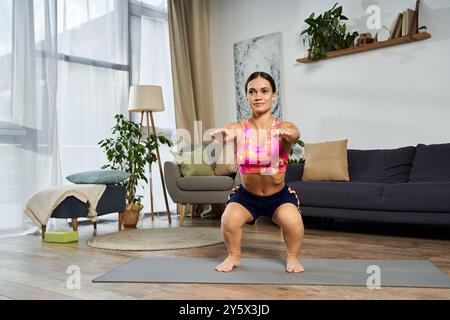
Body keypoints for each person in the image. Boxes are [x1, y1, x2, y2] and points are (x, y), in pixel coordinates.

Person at [210, 71, 304, 273]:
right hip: (247, 196)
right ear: (246, 96)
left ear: (274, 95)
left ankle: (293, 257)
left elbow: (295, 132)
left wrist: (289, 135)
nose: (258, 96)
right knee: (228, 219)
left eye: (264, 91)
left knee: (293, 221)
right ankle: (233, 256)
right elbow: (229, 132)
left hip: (278, 196)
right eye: (252, 92)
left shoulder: (283, 127)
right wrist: (223, 135)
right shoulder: (239, 127)